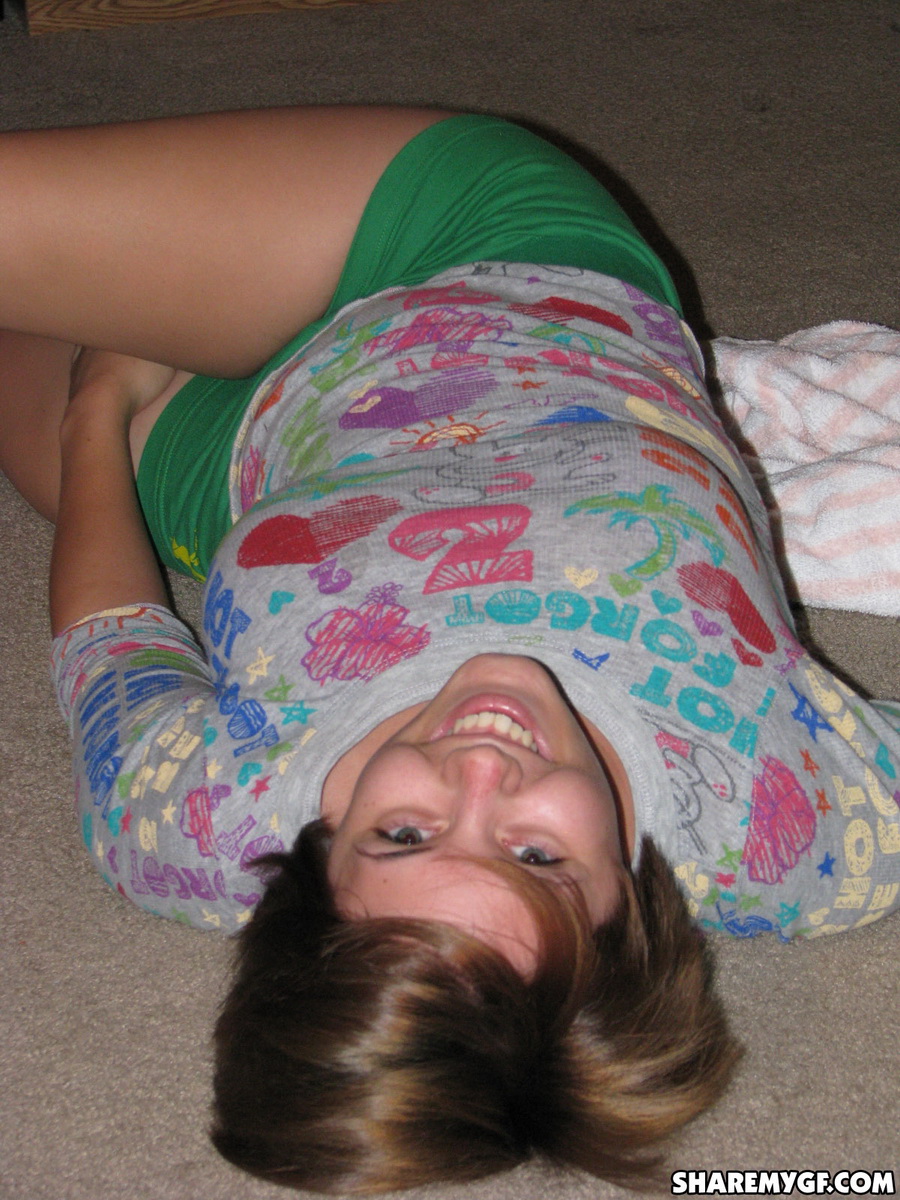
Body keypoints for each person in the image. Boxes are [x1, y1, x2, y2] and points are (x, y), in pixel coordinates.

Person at [1, 105, 897, 1194]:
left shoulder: (201, 824)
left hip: (234, 450)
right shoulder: (783, 818)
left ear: (309, 866)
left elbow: (112, 640)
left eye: (404, 834)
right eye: (538, 858)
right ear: (635, 910)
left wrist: (94, 415)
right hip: (473, 256)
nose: (481, 770)